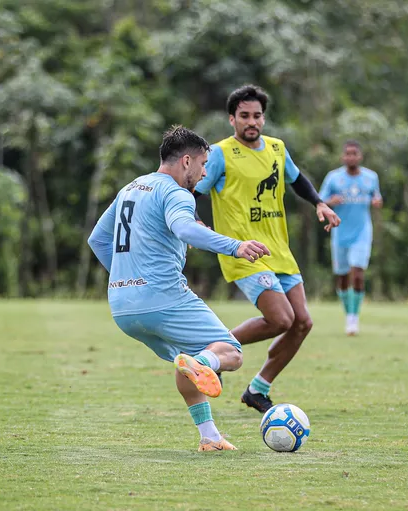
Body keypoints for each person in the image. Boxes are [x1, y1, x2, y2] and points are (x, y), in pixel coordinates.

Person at [88, 125, 271, 451]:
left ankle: (210, 437)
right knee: (229, 352)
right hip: (163, 298)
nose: (203, 174)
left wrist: (126, 278)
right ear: (186, 161)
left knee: (188, 361)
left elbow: (98, 239)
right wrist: (235, 246)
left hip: (121, 306)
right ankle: (203, 365)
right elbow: (185, 229)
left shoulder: (130, 188)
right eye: (202, 165)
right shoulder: (175, 192)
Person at [193, 84, 340, 414]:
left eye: (257, 116)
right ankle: (212, 354)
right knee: (281, 319)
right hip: (243, 252)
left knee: (302, 322)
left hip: (279, 251)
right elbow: (192, 192)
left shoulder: (276, 148)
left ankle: (257, 389)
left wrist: (319, 203)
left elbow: (298, 179)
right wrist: (192, 222)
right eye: (244, 116)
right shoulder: (219, 154)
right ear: (232, 119)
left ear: (263, 118)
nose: (252, 122)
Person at [318, 140, 383, 336]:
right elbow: (319, 201)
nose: (351, 157)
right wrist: (331, 201)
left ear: (360, 156)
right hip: (340, 233)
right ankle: (348, 312)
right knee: (343, 277)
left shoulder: (371, 177)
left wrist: (377, 201)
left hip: (362, 233)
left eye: (354, 153)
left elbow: (377, 197)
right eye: (348, 154)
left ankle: (353, 317)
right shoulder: (333, 178)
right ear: (343, 157)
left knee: (358, 273)